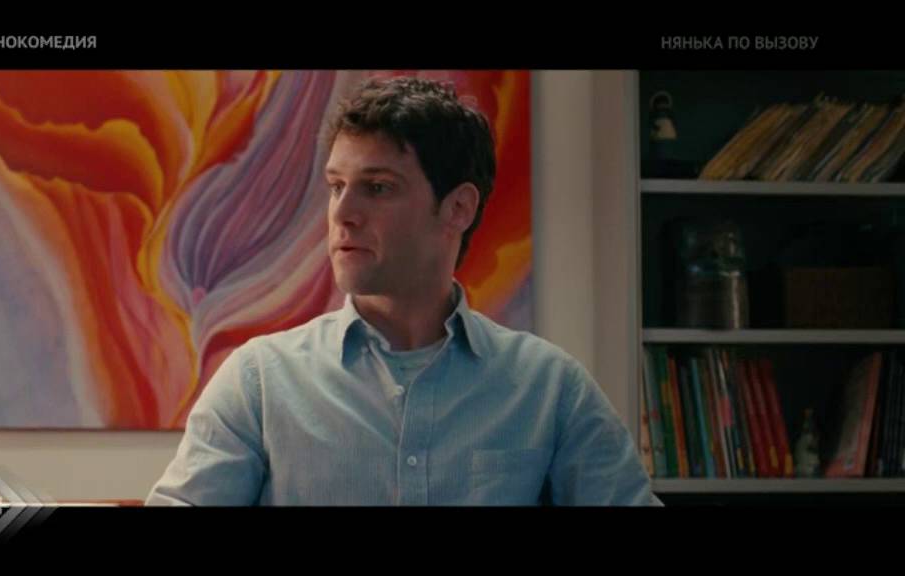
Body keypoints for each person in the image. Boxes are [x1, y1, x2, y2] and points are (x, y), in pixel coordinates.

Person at [146, 76, 661, 506]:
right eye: (336, 186)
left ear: (457, 208)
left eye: (378, 188)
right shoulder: (259, 382)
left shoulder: (549, 389)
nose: (342, 214)